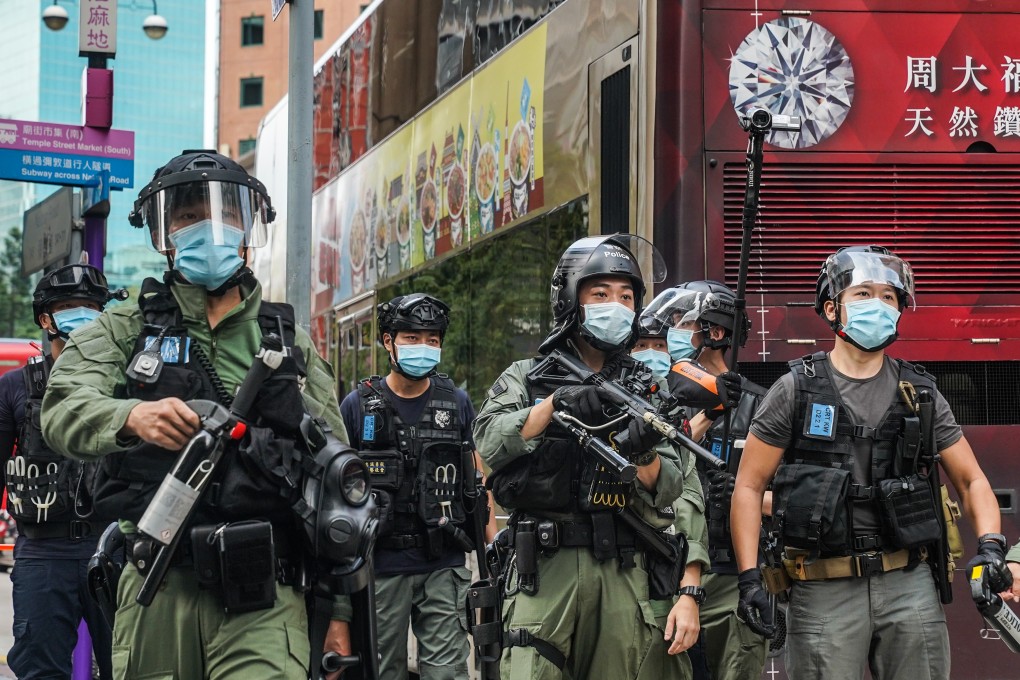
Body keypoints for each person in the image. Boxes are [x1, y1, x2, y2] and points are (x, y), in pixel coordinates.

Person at [40, 150, 356, 680]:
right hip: (156, 588)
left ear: (248, 228)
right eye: (188, 217)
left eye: (225, 215)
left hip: (264, 593)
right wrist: (130, 416)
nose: (209, 227)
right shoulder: (123, 328)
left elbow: (339, 482)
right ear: (164, 234)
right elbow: (63, 405)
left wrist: (340, 612)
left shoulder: (287, 341)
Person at [731, 245, 1011, 680]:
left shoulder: (920, 393)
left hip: (909, 584)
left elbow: (972, 480)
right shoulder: (794, 390)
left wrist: (991, 546)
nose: (878, 305)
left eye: (889, 297)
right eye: (862, 294)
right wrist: (749, 578)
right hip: (823, 586)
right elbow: (748, 487)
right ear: (832, 308)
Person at [473, 233, 688, 680]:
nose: (617, 304)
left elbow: (672, 483)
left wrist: (639, 448)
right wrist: (555, 405)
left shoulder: (646, 385)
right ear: (571, 299)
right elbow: (490, 442)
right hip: (544, 571)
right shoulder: (528, 377)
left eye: (627, 296)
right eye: (601, 293)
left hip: (621, 568)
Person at [339, 292, 496, 680]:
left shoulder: (456, 402)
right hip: (380, 566)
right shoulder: (359, 405)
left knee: (448, 673)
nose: (423, 347)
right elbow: (337, 492)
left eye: (432, 339)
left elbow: (478, 480)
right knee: (381, 671)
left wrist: (492, 548)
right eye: (411, 338)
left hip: (443, 563)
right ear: (388, 342)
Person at [3, 263, 122, 680]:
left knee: (131, 668)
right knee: (39, 669)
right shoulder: (16, 387)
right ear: (46, 318)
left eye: (91, 306)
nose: (82, 314)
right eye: (70, 306)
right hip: (43, 552)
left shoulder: (124, 384)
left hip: (115, 547)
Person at [651, 281, 769, 680]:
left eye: (681, 325)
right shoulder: (659, 400)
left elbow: (791, 498)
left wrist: (742, 495)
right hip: (663, 573)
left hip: (733, 574)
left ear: (715, 333)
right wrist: (709, 413)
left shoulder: (763, 405)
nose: (671, 335)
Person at [631, 300, 708, 679]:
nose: (651, 355)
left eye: (660, 345)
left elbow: (688, 506)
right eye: (640, 346)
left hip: (655, 587)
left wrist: (689, 593)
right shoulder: (582, 395)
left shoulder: (670, 413)